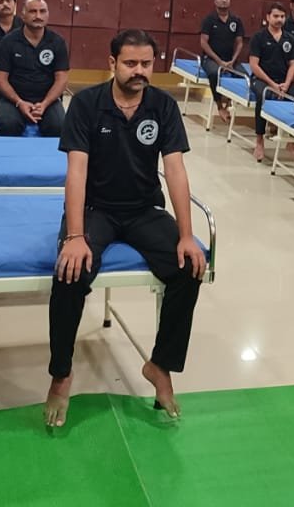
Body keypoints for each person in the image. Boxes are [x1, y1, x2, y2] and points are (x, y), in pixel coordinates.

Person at [45, 29, 206, 428]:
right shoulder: (87, 104)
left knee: (190, 267)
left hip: (143, 209)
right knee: (70, 273)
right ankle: (61, 374)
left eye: (146, 64)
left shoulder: (162, 106)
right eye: (130, 63)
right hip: (95, 209)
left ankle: (160, 365)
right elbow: (76, 172)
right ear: (112, 63)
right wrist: (76, 236)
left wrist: (187, 236)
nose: (139, 71)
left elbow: (175, 171)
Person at [0, 0, 69, 137]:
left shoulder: (57, 42)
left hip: (46, 99)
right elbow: (0, 79)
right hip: (13, 99)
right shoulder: (8, 42)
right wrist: (19, 102)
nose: (38, 16)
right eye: (33, 11)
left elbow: (62, 79)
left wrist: (44, 104)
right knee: (9, 125)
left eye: (42, 11)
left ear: (48, 15)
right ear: (23, 15)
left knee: (58, 126)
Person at [247, 1, 294, 162]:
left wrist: (286, 84)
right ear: (268, 17)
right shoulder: (259, 37)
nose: (279, 19)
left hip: (283, 81)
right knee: (263, 96)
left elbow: (293, 64)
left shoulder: (290, 38)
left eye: (282, 16)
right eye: (276, 16)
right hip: (262, 79)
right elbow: (254, 65)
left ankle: (291, 142)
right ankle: (259, 141)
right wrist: (272, 85)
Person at [199, 0, 245, 124]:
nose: (224, 0)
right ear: (215, 1)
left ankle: (228, 104)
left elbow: (240, 43)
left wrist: (232, 61)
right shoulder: (209, 20)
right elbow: (203, 42)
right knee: (214, 73)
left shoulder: (236, 20)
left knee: (244, 76)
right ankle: (219, 106)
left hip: (230, 59)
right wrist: (219, 61)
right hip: (211, 59)